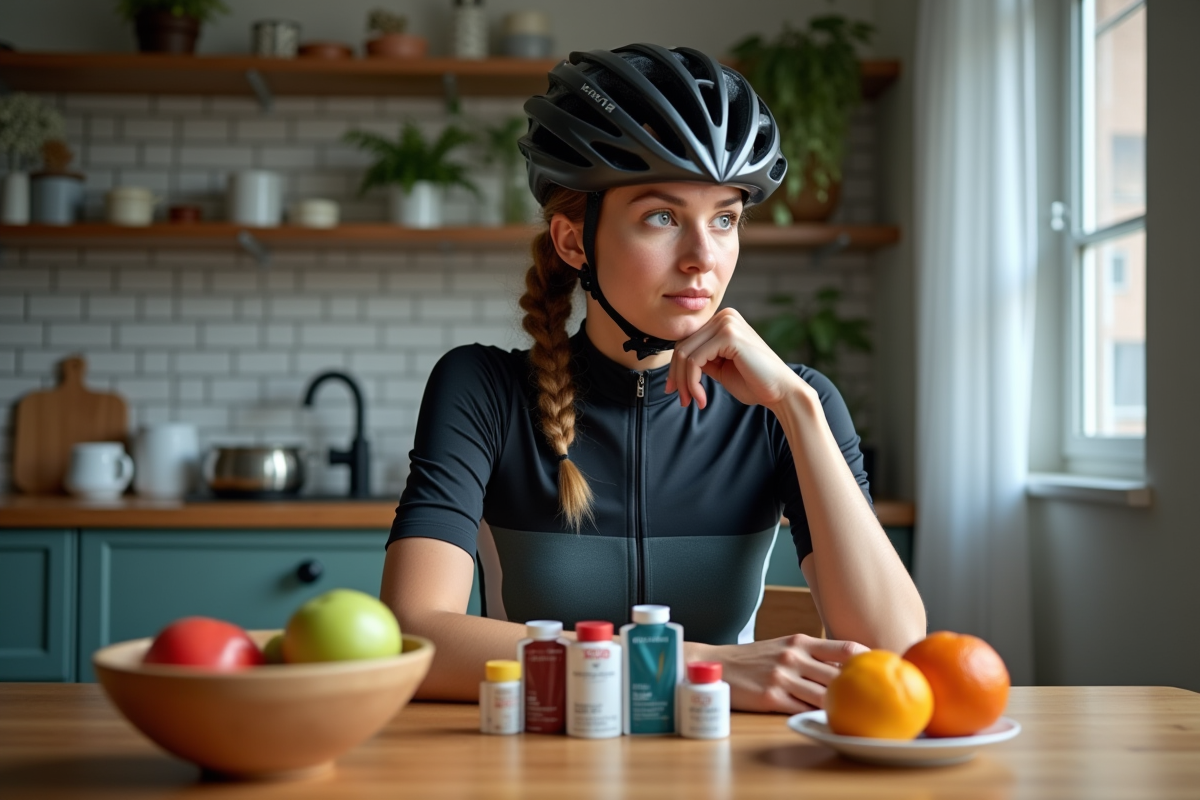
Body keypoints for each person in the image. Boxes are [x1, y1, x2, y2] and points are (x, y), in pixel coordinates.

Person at [380, 43, 925, 714]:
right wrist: (698, 666)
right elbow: (415, 632)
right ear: (574, 241)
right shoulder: (483, 390)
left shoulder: (786, 406)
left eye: (725, 219)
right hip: (538, 768)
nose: (703, 258)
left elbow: (893, 652)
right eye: (662, 218)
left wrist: (796, 404)